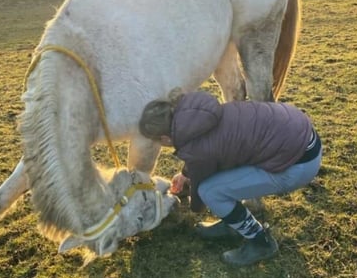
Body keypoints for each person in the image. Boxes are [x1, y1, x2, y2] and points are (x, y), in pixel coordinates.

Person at [138, 88, 322, 266]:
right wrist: (186, 174)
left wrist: (189, 203)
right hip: (303, 137)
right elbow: (213, 146)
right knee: (225, 178)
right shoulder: (196, 114)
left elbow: (200, 197)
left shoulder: (198, 150)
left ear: (164, 138)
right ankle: (233, 222)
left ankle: (261, 242)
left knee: (211, 191)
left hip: (298, 165)